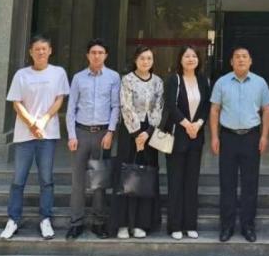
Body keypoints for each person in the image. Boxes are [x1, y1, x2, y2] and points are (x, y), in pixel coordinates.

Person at [0, 36, 70, 241]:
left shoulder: (58, 73)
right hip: (24, 135)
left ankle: (45, 218)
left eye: (44, 49)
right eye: (37, 49)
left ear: (50, 51)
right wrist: (32, 123)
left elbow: (59, 100)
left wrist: (44, 120)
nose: (41, 52)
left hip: (48, 134)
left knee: (46, 179)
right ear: (30, 52)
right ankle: (13, 219)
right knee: (18, 179)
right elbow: (16, 103)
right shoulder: (21, 75)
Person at [209, 46, 269, 243]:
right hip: (228, 137)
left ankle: (248, 226)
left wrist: (264, 136)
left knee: (250, 184)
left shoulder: (260, 82)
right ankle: (227, 226)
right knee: (227, 183)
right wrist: (214, 137)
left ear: (250, 61)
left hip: (251, 137)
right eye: (237, 57)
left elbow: (267, 110)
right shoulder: (222, 82)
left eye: (245, 56)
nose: (241, 60)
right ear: (231, 62)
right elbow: (214, 110)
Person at [65, 38, 121, 241]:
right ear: (87, 55)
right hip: (81, 133)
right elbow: (71, 108)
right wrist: (71, 135)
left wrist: (111, 132)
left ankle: (99, 223)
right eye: (93, 52)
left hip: (102, 134)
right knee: (78, 181)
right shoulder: (78, 78)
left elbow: (116, 107)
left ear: (106, 55)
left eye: (100, 52)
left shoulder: (113, 77)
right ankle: (76, 223)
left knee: (99, 180)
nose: (97, 56)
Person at [114, 45, 164, 239]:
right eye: (142, 58)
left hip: (149, 133)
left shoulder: (158, 82)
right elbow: (125, 106)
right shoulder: (127, 80)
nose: (146, 62)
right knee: (127, 175)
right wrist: (136, 134)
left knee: (146, 176)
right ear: (135, 60)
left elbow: (159, 108)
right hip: (130, 133)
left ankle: (142, 223)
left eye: (149, 58)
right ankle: (123, 223)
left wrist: (147, 133)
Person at [163, 46, 212, 240]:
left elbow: (206, 105)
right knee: (175, 182)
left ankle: (190, 224)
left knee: (192, 183)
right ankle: (175, 225)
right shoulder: (173, 80)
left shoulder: (203, 80)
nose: (191, 59)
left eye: (194, 56)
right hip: (177, 136)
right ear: (180, 59)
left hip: (195, 137)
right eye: (187, 56)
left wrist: (198, 124)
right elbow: (170, 105)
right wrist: (186, 124)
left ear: (198, 60)